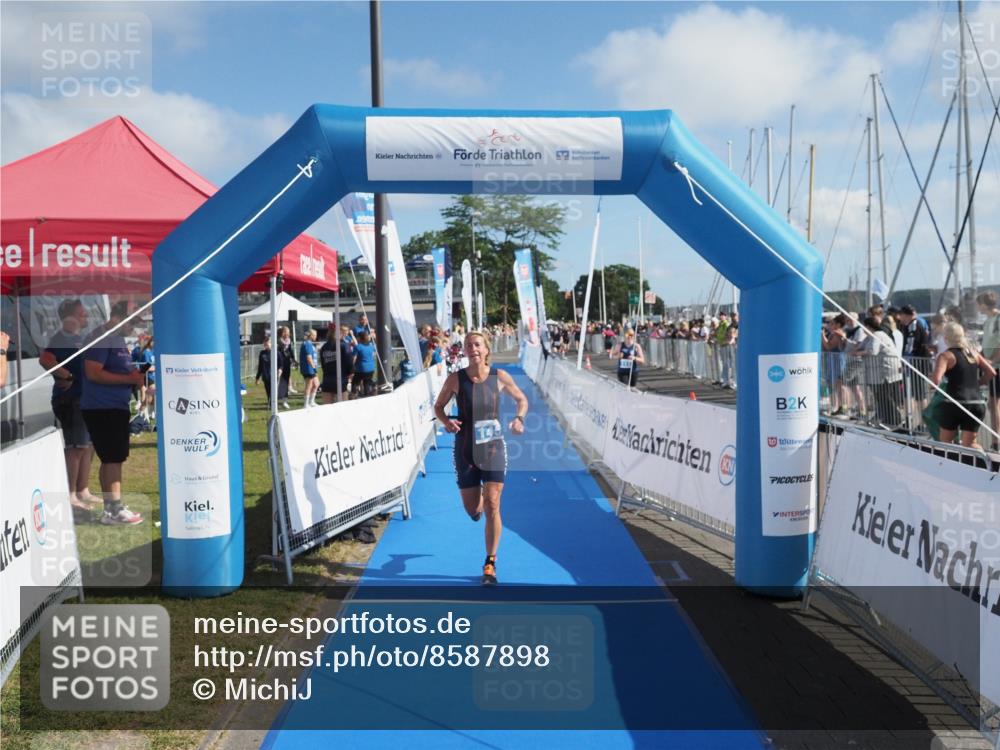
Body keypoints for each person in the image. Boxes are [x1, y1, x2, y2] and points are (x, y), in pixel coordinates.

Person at [432, 331, 528, 585]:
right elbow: (438, 407)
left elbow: (522, 400)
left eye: (477, 344)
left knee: (493, 504)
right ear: (464, 351)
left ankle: (490, 562)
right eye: (468, 345)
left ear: (486, 349)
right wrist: (446, 421)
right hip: (465, 449)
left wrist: (519, 419)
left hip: (493, 447)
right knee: (473, 509)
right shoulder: (456, 378)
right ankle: (479, 504)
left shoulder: (500, 376)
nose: (473, 348)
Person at [80, 300, 146, 525]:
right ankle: (115, 509)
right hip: (102, 407)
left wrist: (133, 376)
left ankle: (111, 510)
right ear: (119, 317)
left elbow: (113, 369)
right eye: (132, 322)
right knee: (113, 459)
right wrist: (129, 379)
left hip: (113, 406)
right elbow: (93, 373)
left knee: (112, 459)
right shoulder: (101, 337)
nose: (134, 328)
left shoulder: (115, 338)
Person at [40, 299, 99, 520]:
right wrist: (67, 375)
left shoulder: (78, 338)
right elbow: (45, 359)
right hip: (71, 400)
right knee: (76, 448)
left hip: (86, 399)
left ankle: (83, 490)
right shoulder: (61, 338)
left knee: (88, 446)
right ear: (71, 317)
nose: (86, 318)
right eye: (82, 314)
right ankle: (70, 495)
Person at [930, 322, 996, 448]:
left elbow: (936, 380)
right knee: (970, 444)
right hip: (976, 403)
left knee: (945, 444)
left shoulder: (946, 356)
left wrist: (932, 386)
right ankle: (984, 459)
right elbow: (991, 372)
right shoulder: (973, 353)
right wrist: (978, 383)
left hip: (954, 403)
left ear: (946, 338)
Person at [976, 292, 1000, 449]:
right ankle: (996, 440)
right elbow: (987, 344)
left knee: (994, 404)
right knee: (993, 405)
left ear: (984, 305)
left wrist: (991, 361)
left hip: (997, 368)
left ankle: (996, 442)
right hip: (992, 367)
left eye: (978, 304)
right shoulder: (988, 321)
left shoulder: (998, 319)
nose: (977, 307)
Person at [255, 336, 279, 406]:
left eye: (268, 343)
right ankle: (270, 404)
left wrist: (280, 370)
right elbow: (260, 366)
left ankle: (273, 405)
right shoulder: (262, 353)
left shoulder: (275, 352)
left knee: (273, 391)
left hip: (274, 375)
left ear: (271, 343)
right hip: (266, 376)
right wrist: (257, 378)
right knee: (268, 391)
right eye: (265, 343)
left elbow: (280, 364)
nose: (266, 344)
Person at [318, 328, 341, 405]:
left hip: (327, 376)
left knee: (328, 404)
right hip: (338, 376)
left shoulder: (324, 347)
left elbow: (322, 363)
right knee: (341, 403)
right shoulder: (341, 345)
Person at [299, 328, 319, 408]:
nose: (316, 337)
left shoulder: (310, 344)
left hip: (312, 368)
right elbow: (309, 357)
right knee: (309, 385)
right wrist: (313, 367)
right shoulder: (307, 344)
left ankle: (311, 402)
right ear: (311, 335)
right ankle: (306, 404)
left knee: (316, 384)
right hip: (308, 368)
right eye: (315, 335)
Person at [353, 330, 377, 397]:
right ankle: (368, 393)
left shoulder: (358, 347)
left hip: (361, 369)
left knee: (355, 383)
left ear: (359, 338)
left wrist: (351, 367)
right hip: (371, 368)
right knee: (366, 383)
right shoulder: (371, 346)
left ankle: (353, 395)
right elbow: (373, 355)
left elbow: (354, 358)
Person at [276, 326, 294, 409]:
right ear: (283, 333)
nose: (288, 334)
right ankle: (274, 400)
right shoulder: (278, 341)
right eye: (287, 332)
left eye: (289, 332)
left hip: (286, 363)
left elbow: (291, 351)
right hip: (279, 364)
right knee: (278, 381)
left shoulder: (289, 341)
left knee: (285, 382)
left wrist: (293, 359)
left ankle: (285, 401)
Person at [139, 336, 156, 423]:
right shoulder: (146, 353)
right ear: (150, 342)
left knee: (152, 399)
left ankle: (149, 415)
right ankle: (141, 414)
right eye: (153, 341)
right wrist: (157, 368)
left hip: (153, 377)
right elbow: (146, 367)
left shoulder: (152, 352)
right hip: (148, 378)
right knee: (148, 398)